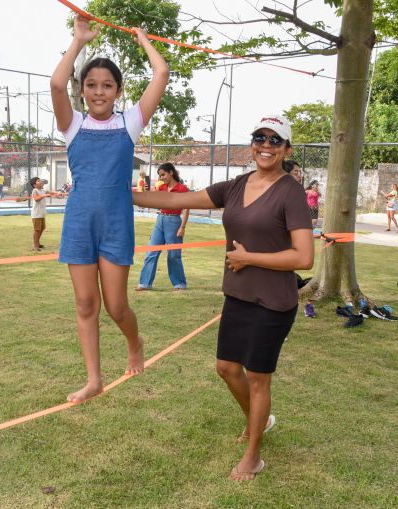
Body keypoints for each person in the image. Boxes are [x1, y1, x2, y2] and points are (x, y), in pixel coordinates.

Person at [134, 114, 313, 481]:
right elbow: (176, 198)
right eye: (259, 137)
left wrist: (250, 258)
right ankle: (259, 420)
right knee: (227, 368)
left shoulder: (290, 191)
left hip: (274, 301)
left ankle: (254, 454)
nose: (265, 145)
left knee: (258, 378)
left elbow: (304, 257)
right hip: (238, 294)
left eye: (274, 140)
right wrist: (122, 193)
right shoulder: (235, 185)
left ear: (286, 149)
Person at [50, 14, 169, 404]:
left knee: (117, 307)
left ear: (118, 91)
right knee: (86, 304)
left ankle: (135, 343)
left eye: (107, 86)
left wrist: (144, 41)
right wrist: (78, 42)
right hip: (79, 224)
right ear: (82, 90)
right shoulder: (73, 124)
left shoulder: (130, 122)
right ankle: (93, 379)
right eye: (91, 85)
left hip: (116, 226)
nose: (99, 92)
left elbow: (161, 73)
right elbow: (55, 83)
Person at [135, 163, 190, 291]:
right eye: (160, 175)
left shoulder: (182, 189)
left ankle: (180, 283)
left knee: (173, 254)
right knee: (151, 251)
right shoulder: (162, 188)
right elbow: (153, 200)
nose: (162, 178)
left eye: (163, 174)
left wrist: (183, 227)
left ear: (171, 172)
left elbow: (187, 209)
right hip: (160, 220)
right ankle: (145, 283)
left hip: (174, 221)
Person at [29, 176, 64, 251]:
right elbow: (36, 199)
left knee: (42, 228)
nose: (41, 181)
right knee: (37, 229)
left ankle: (38, 243)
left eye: (40, 180)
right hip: (36, 214)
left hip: (41, 213)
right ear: (35, 185)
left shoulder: (43, 190)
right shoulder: (35, 190)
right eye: (38, 181)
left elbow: (51, 192)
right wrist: (45, 195)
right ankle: (35, 245)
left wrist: (58, 193)